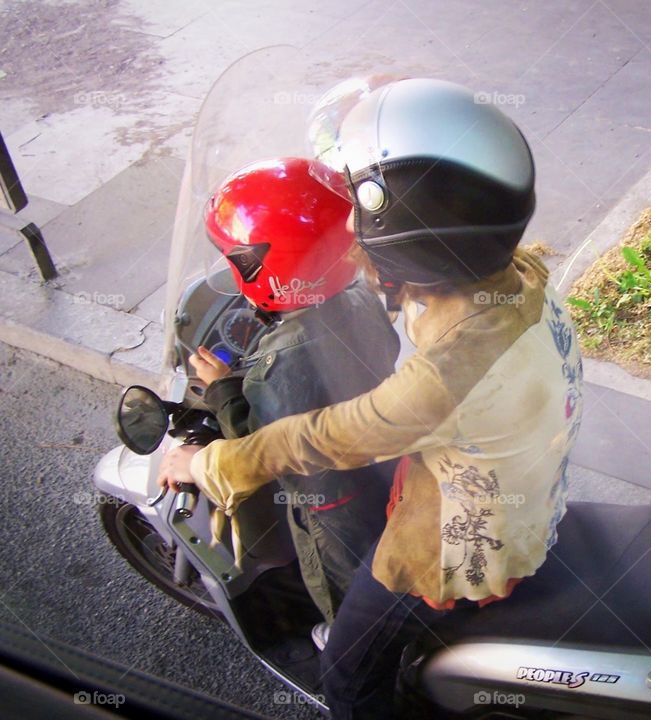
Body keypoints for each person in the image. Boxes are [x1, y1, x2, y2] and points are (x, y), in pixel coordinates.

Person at [159, 78, 583, 719]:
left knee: (349, 676)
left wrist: (203, 465)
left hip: (453, 546)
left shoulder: (446, 376)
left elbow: (313, 438)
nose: (351, 228)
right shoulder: (515, 274)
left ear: (410, 246)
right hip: (528, 482)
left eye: (362, 218)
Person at [191, 156, 400, 628]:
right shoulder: (361, 292)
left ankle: (348, 645)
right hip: (383, 462)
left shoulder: (277, 364)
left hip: (331, 504)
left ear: (272, 267)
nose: (235, 265)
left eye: (241, 259)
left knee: (340, 588)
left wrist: (222, 390)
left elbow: (264, 450)